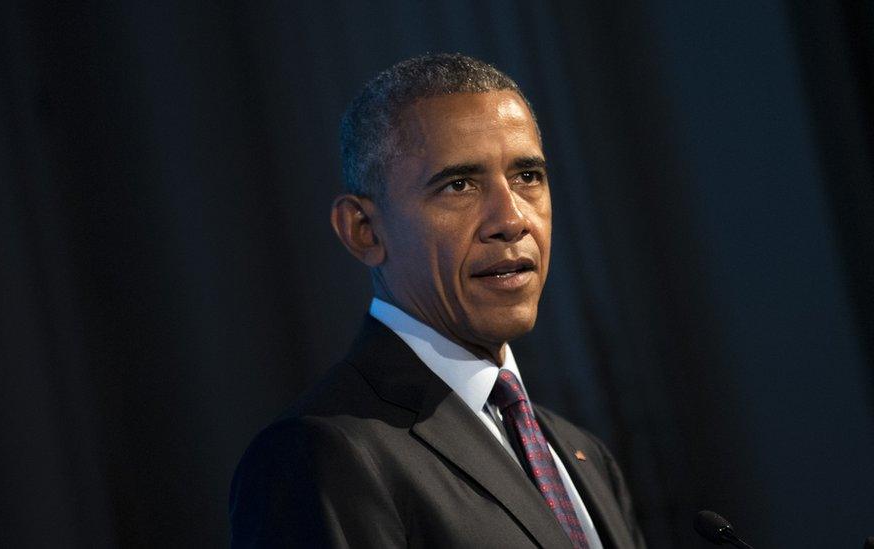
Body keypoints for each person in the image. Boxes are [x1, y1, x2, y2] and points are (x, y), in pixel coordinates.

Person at [229, 53, 647, 548]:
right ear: (363, 231)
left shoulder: (584, 456)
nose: (511, 220)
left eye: (527, 176)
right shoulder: (322, 453)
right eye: (459, 185)